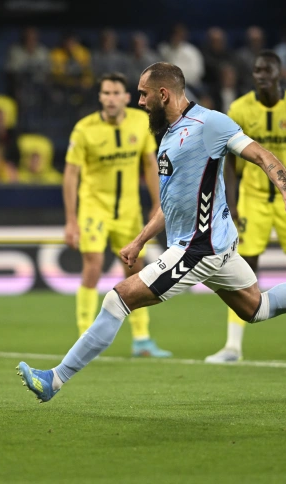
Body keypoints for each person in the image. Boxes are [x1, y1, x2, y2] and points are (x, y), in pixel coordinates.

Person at [17, 62, 286, 403]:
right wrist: (140, 240)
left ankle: (55, 379)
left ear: (164, 94)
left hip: (198, 248)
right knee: (258, 308)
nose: (139, 101)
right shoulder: (168, 134)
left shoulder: (210, 124)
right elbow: (172, 202)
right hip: (216, 246)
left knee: (118, 300)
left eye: (144, 94)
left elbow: (263, 156)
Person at [205, 51, 286, 364]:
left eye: (267, 70)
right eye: (257, 71)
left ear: (280, 74)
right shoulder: (240, 108)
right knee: (241, 267)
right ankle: (232, 346)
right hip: (253, 200)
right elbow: (228, 159)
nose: (261, 76)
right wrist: (231, 202)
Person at [63, 72, 170, 358]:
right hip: (94, 209)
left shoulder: (140, 122)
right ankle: (85, 338)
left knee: (135, 271)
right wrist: (71, 219)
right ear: (100, 97)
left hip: (128, 211)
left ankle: (142, 339)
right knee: (93, 265)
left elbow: (150, 164)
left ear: (126, 97)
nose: (111, 99)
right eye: (106, 93)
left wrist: (157, 202)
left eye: (115, 93)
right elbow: (71, 174)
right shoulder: (84, 129)